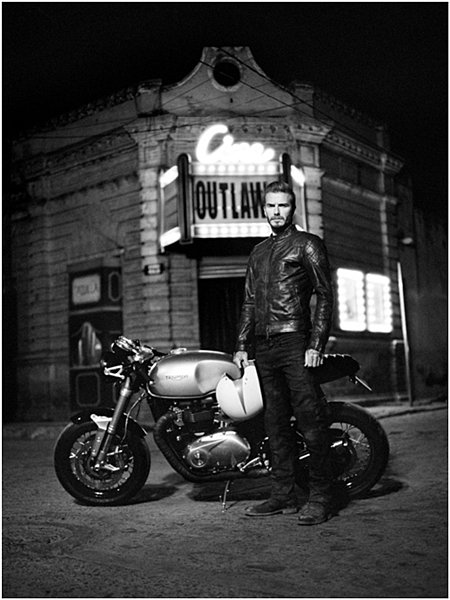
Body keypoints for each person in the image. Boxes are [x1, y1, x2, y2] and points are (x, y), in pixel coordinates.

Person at [233, 180, 334, 525]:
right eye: (271, 206)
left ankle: (321, 497)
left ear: (293, 208)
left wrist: (316, 343)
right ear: (264, 209)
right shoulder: (259, 252)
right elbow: (249, 301)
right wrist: (242, 345)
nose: (277, 212)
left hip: (294, 342)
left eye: (283, 205)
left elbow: (324, 294)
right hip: (264, 346)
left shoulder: (307, 244)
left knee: (310, 420)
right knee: (274, 424)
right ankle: (283, 495)